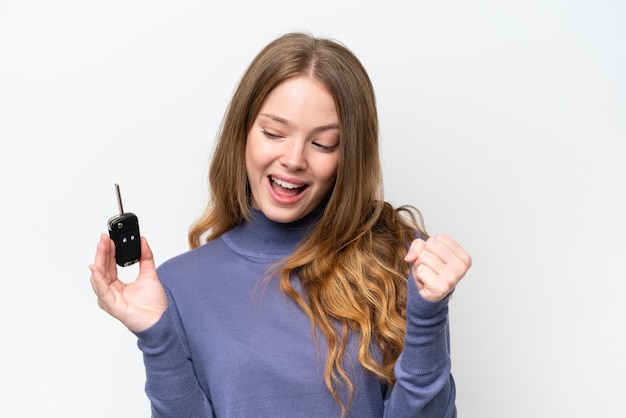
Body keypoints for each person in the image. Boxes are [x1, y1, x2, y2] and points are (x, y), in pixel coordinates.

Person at [89, 32, 472, 418]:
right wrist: (157, 339)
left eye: (322, 144)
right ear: (242, 134)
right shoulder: (176, 286)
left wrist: (427, 318)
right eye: (273, 133)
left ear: (350, 157)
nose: (293, 159)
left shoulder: (401, 258)